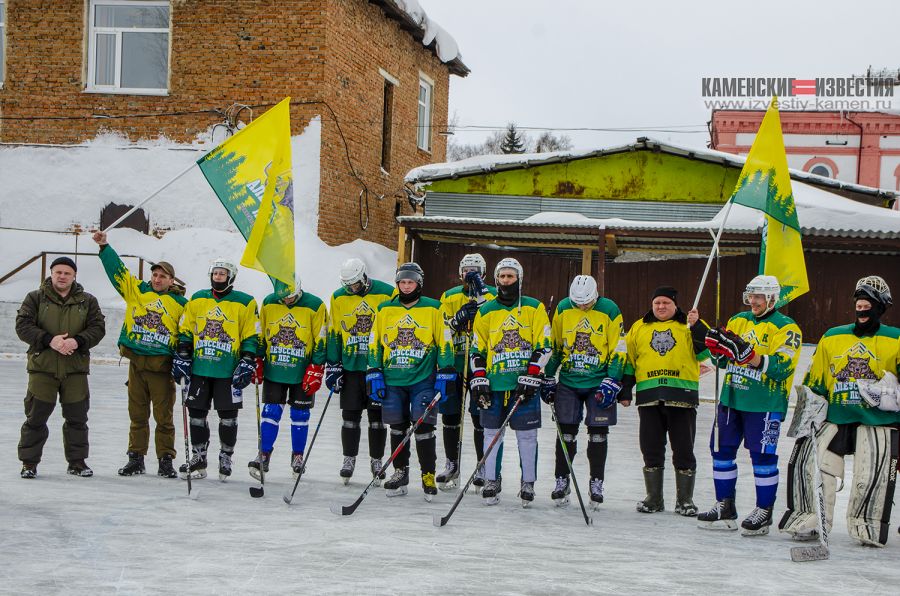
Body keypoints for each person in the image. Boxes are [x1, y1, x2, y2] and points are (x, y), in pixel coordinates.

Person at [779, 275, 900, 547]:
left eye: (869, 304)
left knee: (872, 473)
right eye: (859, 304)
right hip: (836, 415)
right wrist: (808, 410)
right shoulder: (833, 336)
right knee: (813, 465)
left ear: (881, 307)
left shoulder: (896, 338)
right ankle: (810, 518)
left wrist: (891, 392)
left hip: (878, 419)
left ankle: (867, 525)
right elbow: (816, 379)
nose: (863, 309)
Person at [697, 275, 802, 535]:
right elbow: (723, 362)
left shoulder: (787, 328)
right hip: (731, 399)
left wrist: (750, 356)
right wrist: (715, 350)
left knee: (763, 457)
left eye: (759, 297)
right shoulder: (737, 320)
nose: (753, 301)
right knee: (721, 451)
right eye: (751, 296)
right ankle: (725, 505)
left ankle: (764, 511)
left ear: (772, 298)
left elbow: (781, 367)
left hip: (765, 403)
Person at [93, 231, 187, 478]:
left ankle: (166, 460)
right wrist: (105, 248)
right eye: (155, 275)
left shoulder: (181, 304)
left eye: (162, 276)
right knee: (137, 415)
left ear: (171, 280)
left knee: (163, 418)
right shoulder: (136, 291)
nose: (157, 279)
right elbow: (118, 272)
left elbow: (189, 333)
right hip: (136, 364)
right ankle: (136, 458)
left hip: (162, 367)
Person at [366, 263, 455, 500]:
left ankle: (428, 473)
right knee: (397, 425)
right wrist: (374, 371)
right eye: (402, 282)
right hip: (392, 378)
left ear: (419, 283)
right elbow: (375, 342)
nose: (406, 286)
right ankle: (400, 472)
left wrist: (446, 372)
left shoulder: (435, 308)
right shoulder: (385, 309)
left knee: (424, 426)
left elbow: (445, 342)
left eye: (411, 282)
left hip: (422, 378)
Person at [469, 257, 552, 506]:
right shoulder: (486, 311)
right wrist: (480, 378)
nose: (506, 280)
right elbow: (477, 350)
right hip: (495, 384)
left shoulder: (534, 307)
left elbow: (545, 345)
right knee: (491, 434)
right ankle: (492, 479)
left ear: (519, 279)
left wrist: (533, 373)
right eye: (502, 276)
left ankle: (528, 482)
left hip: (523, 385)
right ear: (496, 280)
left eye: (510, 276)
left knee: (527, 436)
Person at [16, 256, 106, 478]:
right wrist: (49, 340)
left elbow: (98, 328)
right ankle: (29, 464)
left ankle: (77, 462)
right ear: (51, 273)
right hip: (43, 368)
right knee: (36, 418)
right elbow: (23, 325)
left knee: (77, 418)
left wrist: (77, 341)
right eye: (58, 272)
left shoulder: (87, 301)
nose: (62, 276)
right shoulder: (35, 298)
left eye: (67, 273)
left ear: (74, 275)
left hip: (74, 369)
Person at [623, 286, 709, 516]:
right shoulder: (639, 327)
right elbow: (631, 360)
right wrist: (625, 389)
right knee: (650, 448)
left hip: (681, 396)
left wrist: (698, 327)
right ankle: (653, 499)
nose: (661, 307)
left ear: (675, 305)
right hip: (649, 397)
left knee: (683, 450)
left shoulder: (688, 325)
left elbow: (705, 354)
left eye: (666, 303)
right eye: (657, 303)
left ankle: (685, 501)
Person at [543, 275, 626, 509]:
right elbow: (556, 346)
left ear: (595, 295)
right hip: (569, 381)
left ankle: (596, 482)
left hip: (598, 382)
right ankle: (562, 480)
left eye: (586, 303)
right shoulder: (562, 308)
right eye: (577, 303)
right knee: (565, 433)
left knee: (598, 433)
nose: (582, 306)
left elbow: (618, 348)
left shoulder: (610, 309)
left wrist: (613, 379)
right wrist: (548, 376)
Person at [173, 258, 259, 481]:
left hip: (228, 371)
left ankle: (226, 456)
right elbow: (186, 328)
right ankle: (198, 456)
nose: (218, 277)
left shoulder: (245, 302)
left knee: (228, 418)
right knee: (196, 416)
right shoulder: (197, 298)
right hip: (200, 369)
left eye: (222, 274)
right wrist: (183, 353)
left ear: (230, 277)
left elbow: (251, 334)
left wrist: (248, 360)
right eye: (215, 273)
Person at [326, 258, 396, 485]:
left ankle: (377, 460)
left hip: (376, 368)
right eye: (348, 285)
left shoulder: (387, 293)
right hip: (351, 367)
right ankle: (349, 459)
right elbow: (335, 331)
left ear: (364, 277)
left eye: (355, 284)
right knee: (350, 417)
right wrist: (333, 364)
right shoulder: (338, 297)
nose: (351, 289)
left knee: (377, 419)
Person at [248, 279, 327, 479]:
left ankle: (298, 456)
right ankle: (264, 454)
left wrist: (317, 366)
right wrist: (257, 358)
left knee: (300, 414)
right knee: (271, 411)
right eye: (283, 297)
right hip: (275, 368)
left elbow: (321, 337)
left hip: (302, 371)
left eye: (290, 296)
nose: (286, 300)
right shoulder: (269, 302)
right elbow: (260, 332)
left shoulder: (315, 305)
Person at [436, 253, 496, 489]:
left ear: (483, 273)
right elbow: (441, 329)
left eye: (474, 271)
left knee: (479, 416)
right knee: (451, 416)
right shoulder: (450, 296)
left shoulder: (491, 296)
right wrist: (455, 321)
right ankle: (452, 463)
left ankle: (482, 466)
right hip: (455, 362)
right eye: (465, 271)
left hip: (480, 365)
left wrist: (479, 312)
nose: (469, 276)